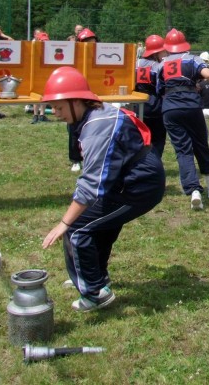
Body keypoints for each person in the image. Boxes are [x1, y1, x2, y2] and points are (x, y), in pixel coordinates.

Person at [40, 67, 165, 312]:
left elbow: (90, 184)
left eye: (59, 107)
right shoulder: (93, 115)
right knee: (97, 225)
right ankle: (94, 277)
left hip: (140, 184)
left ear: (77, 101)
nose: (55, 113)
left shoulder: (97, 127)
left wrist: (64, 223)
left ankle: (95, 292)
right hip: (128, 178)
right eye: (53, 107)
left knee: (77, 228)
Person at [158, 29, 209, 210]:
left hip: (170, 109)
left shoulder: (161, 65)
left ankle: (193, 190)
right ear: (184, 44)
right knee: (201, 145)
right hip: (191, 106)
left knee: (183, 150)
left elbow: (159, 88)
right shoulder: (192, 59)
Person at [135, 35, 168, 158]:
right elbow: (161, 88)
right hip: (155, 105)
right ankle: (155, 161)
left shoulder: (136, 63)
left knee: (141, 137)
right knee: (158, 138)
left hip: (137, 104)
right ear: (156, 53)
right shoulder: (158, 66)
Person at [31, 29, 50, 123]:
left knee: (45, 93)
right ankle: (35, 115)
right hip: (36, 74)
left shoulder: (48, 49)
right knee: (37, 94)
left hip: (45, 73)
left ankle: (42, 115)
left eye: (45, 40)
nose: (44, 42)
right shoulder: (34, 46)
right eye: (42, 40)